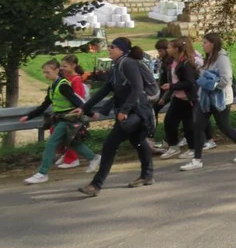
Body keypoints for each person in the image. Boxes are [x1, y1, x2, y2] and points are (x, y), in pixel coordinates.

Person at [77, 38, 154, 196]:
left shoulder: (128, 63)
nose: (109, 49)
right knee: (138, 142)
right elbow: (105, 90)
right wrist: (84, 107)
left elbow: (138, 87)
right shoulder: (116, 66)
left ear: (121, 50)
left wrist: (124, 110)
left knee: (109, 145)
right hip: (132, 112)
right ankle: (147, 175)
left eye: (112, 47)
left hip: (135, 111)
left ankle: (96, 185)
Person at [20, 59, 99, 185]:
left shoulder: (63, 85)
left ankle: (42, 173)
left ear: (57, 70)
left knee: (51, 144)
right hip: (61, 119)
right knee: (72, 143)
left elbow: (76, 101)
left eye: (48, 72)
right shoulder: (52, 86)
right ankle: (94, 158)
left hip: (68, 119)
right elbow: (44, 105)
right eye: (44, 73)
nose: (46, 75)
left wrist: (91, 113)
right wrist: (28, 116)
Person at [180, 32, 236, 171]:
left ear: (212, 44)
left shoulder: (222, 58)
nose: (203, 45)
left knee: (224, 126)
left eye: (205, 42)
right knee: (198, 125)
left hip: (220, 98)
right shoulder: (209, 57)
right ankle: (197, 159)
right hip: (206, 98)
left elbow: (226, 79)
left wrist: (211, 85)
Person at [159, 37, 198, 160]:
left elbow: (189, 83)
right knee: (169, 122)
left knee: (188, 126)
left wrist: (172, 86)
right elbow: (171, 79)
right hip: (177, 98)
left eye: (170, 47)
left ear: (176, 49)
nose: (167, 49)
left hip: (188, 99)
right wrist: (166, 95)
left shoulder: (186, 64)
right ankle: (173, 146)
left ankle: (193, 149)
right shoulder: (172, 62)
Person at [54, 54, 90, 170]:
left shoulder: (75, 80)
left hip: (72, 113)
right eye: (61, 66)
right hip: (66, 113)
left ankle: (72, 158)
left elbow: (78, 98)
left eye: (65, 66)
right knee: (57, 131)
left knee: (70, 135)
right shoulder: (67, 79)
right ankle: (65, 154)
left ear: (73, 66)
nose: (62, 68)